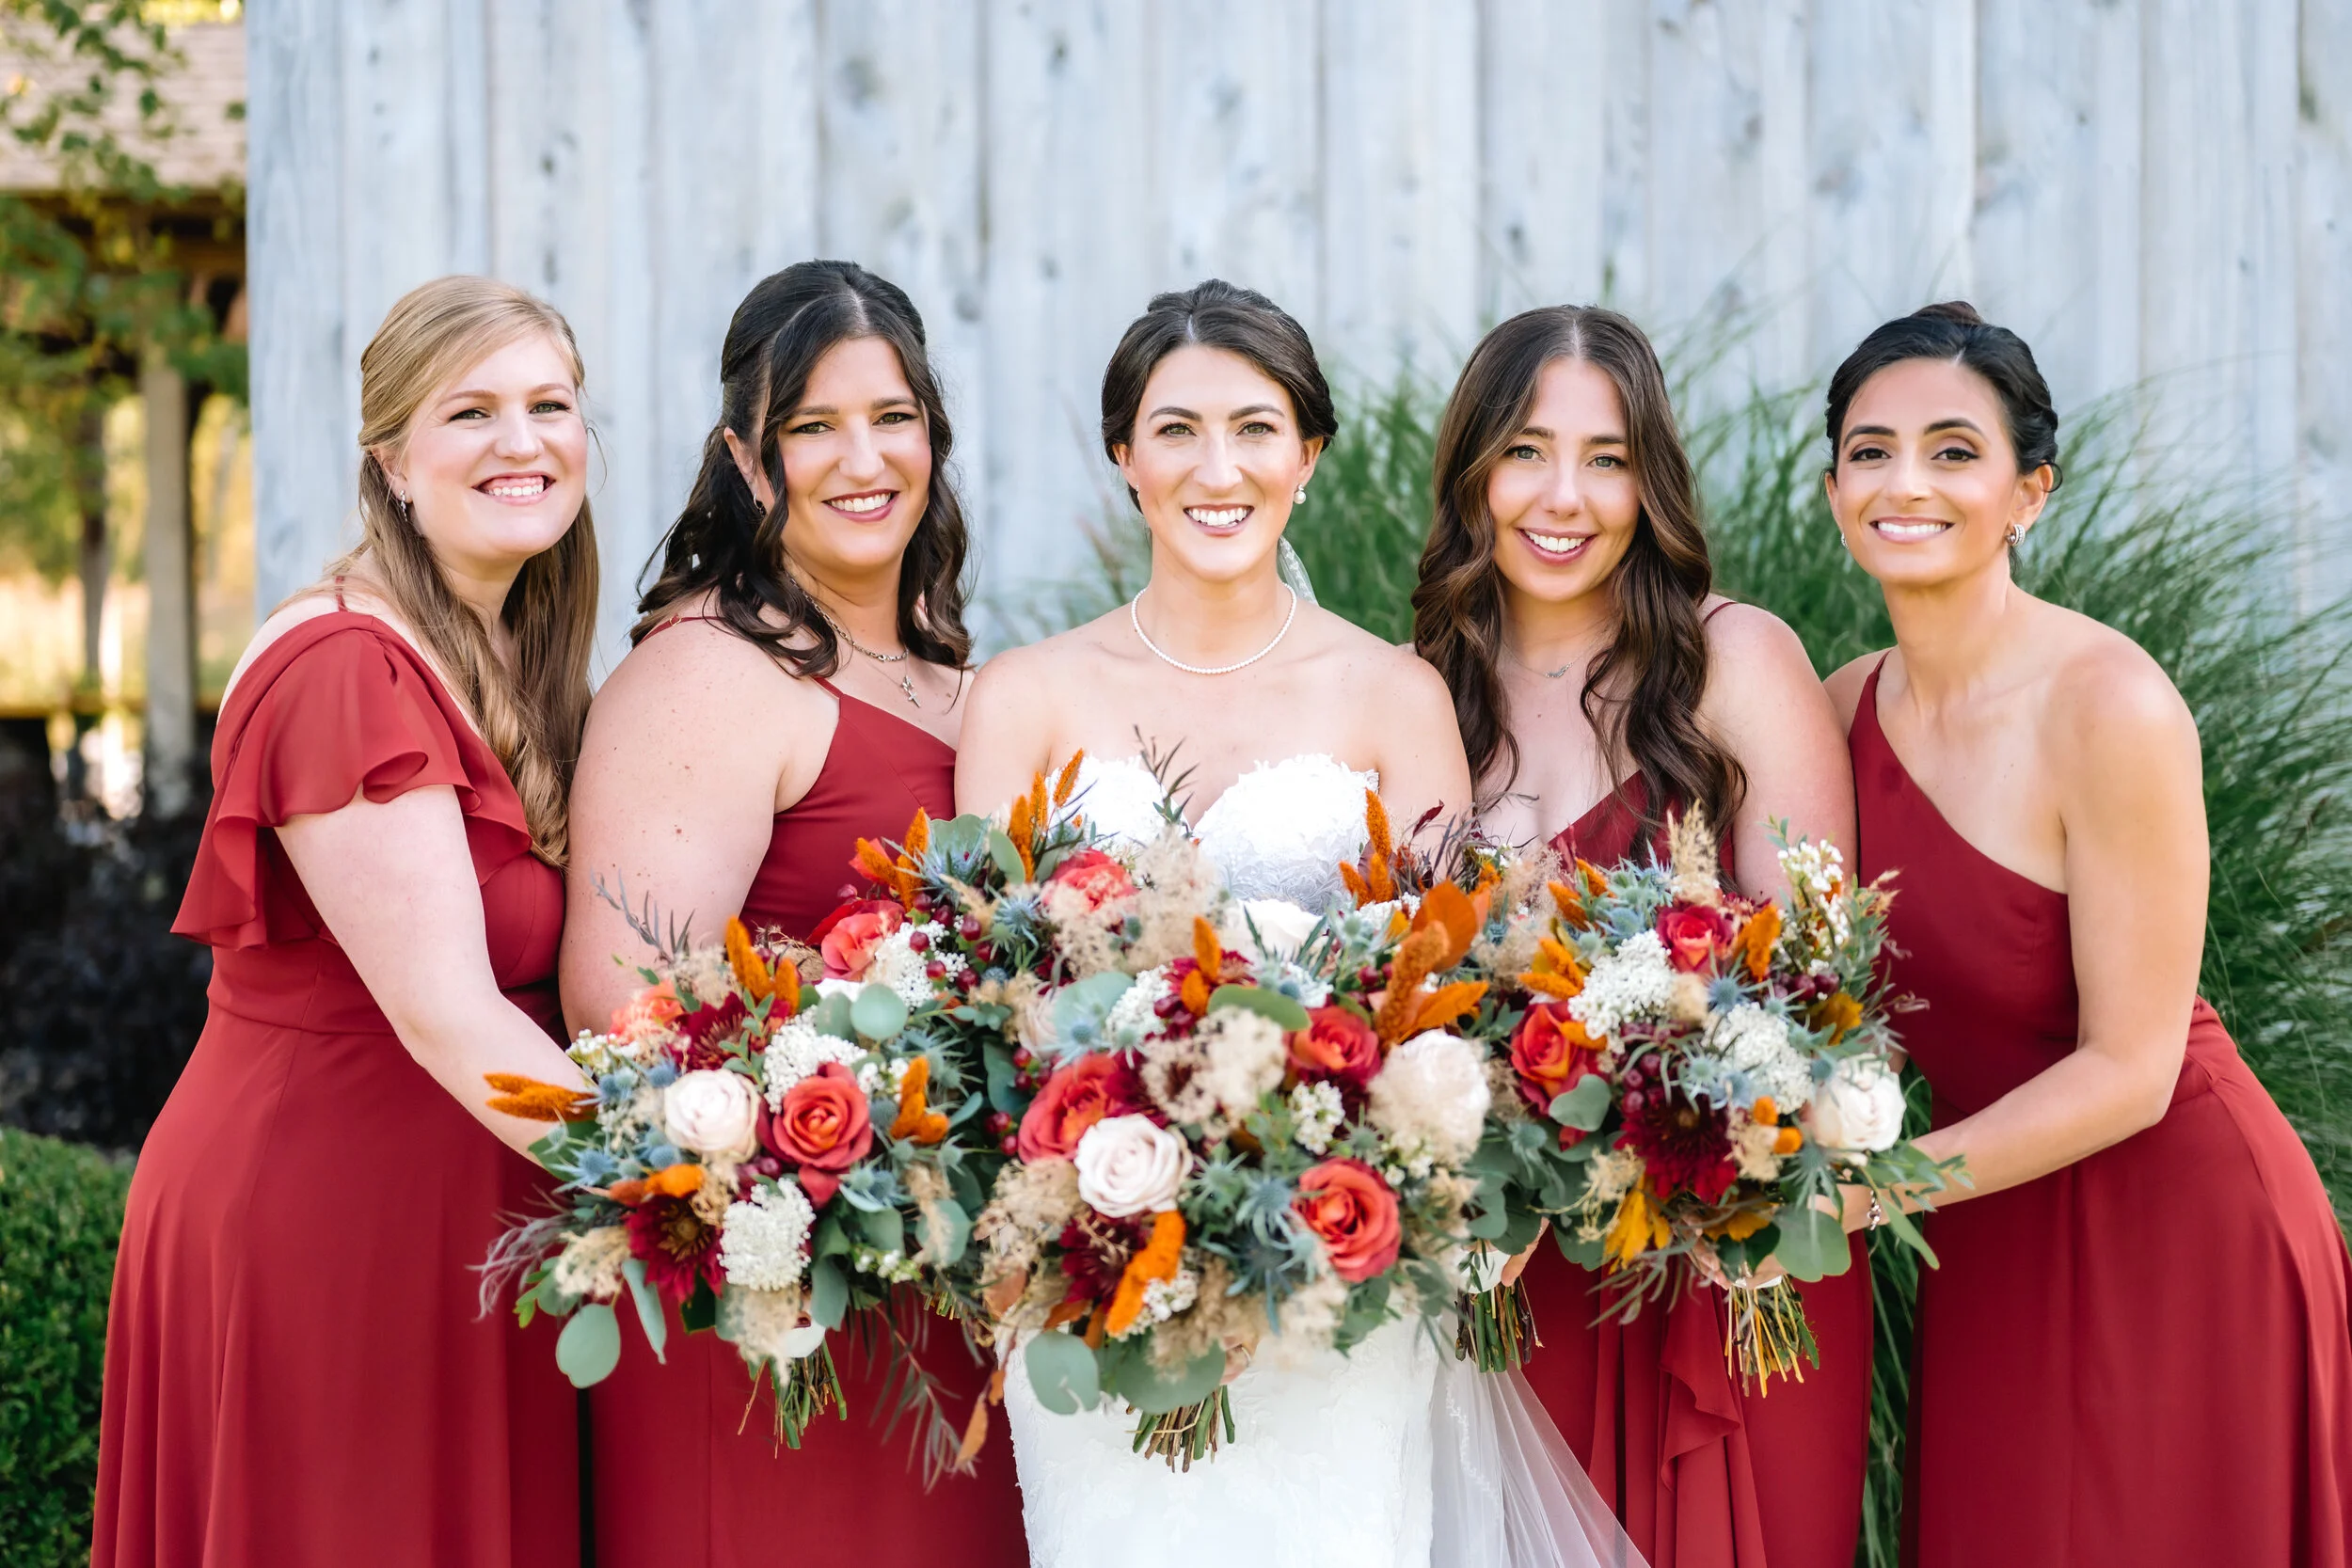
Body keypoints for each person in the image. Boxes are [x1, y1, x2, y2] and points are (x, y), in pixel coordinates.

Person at [957, 277, 1484, 1567]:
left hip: (1337, 1268)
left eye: (1256, 427)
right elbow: (989, 988)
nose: (1218, 467)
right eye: (1176, 428)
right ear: (1123, 454)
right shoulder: (1021, 695)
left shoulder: (1395, 695)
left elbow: (1444, 992)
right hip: (1094, 1260)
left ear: (1308, 453)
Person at [1821, 301, 2352, 1567]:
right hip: (1988, 1214)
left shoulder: (2109, 704)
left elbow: (2135, 1065)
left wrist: (1868, 1190)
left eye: (1955, 451)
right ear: (1836, 484)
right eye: (1869, 448)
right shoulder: (1841, 707)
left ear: (2029, 494)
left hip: (2179, 1224)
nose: (1907, 481)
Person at [93, 277, 599, 1568]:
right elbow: (446, 1010)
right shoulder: (344, 670)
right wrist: (693, 1172)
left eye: (550, 404)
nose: (521, 440)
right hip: (325, 1228)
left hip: (471, 1221)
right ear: (392, 455)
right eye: (471, 411)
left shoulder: (517, 654)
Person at [561, 260, 1025, 1568]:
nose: (861, 457)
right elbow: (623, 996)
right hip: (779, 1297)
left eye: (892, 417)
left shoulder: (959, 672)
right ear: (745, 459)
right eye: (813, 426)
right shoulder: (710, 669)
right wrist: (851, 1127)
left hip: (940, 1287)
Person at [1413, 303, 1869, 1567]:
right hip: (1521, 1278)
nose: (1565, 496)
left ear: (1648, 479)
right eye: (1525, 450)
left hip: (1727, 1268)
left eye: (1606, 458)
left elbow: (1823, 980)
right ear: (1471, 472)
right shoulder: (1419, 691)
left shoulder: (1737, 661)